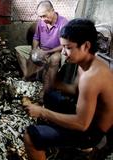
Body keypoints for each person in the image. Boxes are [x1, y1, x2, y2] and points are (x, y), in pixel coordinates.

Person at [22, 18, 113, 160]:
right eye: (62, 46)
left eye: (68, 47)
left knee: (30, 137)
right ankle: (55, 144)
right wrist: (54, 84)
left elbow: (82, 124)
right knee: (50, 96)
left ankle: (84, 148)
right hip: (87, 114)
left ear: (86, 46)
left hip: (91, 132)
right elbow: (77, 92)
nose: (63, 52)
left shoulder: (92, 77)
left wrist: (43, 112)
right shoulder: (88, 62)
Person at [15, 0, 68, 92]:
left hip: (56, 51)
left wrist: (47, 52)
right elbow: (36, 38)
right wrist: (35, 49)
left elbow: (64, 45)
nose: (43, 19)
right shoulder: (41, 22)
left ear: (52, 10)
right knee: (18, 50)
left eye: (44, 15)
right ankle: (27, 75)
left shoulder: (63, 23)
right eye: (40, 16)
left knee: (55, 59)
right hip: (42, 49)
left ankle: (47, 88)